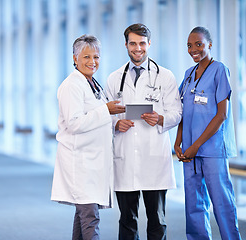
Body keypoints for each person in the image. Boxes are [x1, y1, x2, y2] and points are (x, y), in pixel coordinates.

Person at [105, 23, 182, 240]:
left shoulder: (165, 76)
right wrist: (115, 124)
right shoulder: (114, 78)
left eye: (142, 43)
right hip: (125, 156)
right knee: (127, 219)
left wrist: (160, 119)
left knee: (157, 219)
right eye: (133, 43)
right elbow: (106, 114)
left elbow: (177, 112)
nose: (137, 48)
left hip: (154, 157)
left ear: (149, 44)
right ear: (126, 45)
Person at [51, 34, 125, 240]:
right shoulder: (71, 86)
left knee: (83, 216)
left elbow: (95, 118)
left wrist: (116, 123)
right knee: (90, 217)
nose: (92, 62)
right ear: (75, 58)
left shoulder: (92, 84)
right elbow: (74, 123)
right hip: (80, 162)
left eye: (96, 57)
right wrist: (106, 111)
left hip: (93, 162)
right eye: (86, 57)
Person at [174, 26, 241, 240]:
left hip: (212, 150)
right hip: (190, 151)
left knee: (222, 203)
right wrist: (178, 141)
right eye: (189, 46)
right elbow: (183, 111)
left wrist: (194, 146)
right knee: (194, 204)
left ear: (209, 45)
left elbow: (221, 115)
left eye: (199, 44)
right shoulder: (188, 74)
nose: (194, 49)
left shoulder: (220, 70)